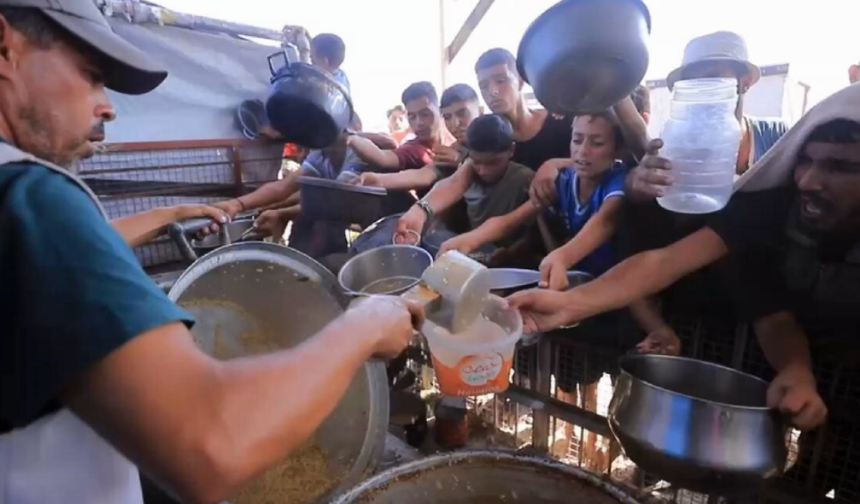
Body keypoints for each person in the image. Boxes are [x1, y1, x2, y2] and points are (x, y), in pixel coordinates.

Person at [0, 4, 422, 504]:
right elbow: (213, 443)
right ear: (6, 45)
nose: (108, 106)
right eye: (92, 76)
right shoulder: (31, 195)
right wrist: (366, 324)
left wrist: (172, 212)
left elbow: (57, 264)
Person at [507, 83, 860, 439]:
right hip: (815, 365)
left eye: (840, 167)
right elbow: (667, 265)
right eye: (806, 160)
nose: (810, 181)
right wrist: (569, 304)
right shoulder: (771, 204)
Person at [394, 114, 533, 255]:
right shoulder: (468, 172)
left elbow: (531, 234)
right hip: (471, 248)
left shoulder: (524, 180)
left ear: (511, 150)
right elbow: (452, 184)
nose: (483, 171)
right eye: (477, 162)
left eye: (493, 163)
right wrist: (420, 211)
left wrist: (510, 253)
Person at [360, 83, 482, 191]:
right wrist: (377, 180)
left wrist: (462, 163)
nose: (455, 123)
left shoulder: (497, 138)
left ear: (480, 112)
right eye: (448, 117)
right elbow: (424, 174)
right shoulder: (450, 150)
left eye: (462, 113)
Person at [348, 81, 450, 175]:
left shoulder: (455, 136)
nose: (419, 123)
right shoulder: (414, 150)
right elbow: (383, 158)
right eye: (412, 117)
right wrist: (350, 137)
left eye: (425, 114)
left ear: (440, 111)